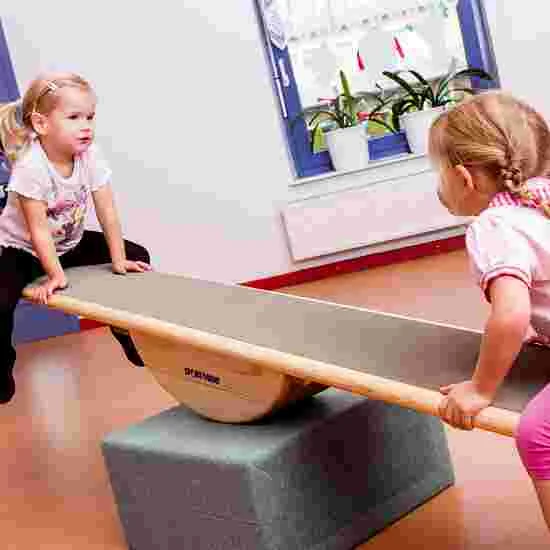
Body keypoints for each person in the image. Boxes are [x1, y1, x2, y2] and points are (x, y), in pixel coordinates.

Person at [429, 89, 550, 528]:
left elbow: (510, 314)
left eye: (437, 172)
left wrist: (481, 389)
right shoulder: (542, 200)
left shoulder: (493, 225)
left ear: (464, 178)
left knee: (538, 435)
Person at [0, 71, 151, 404]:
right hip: (22, 249)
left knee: (137, 255)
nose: (86, 126)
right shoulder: (31, 168)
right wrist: (55, 275)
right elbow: (38, 230)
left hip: (70, 242)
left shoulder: (89, 154)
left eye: (90, 117)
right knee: (0, 301)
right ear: (41, 124)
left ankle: (124, 329)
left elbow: (107, 211)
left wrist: (118, 259)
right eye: (74, 117)